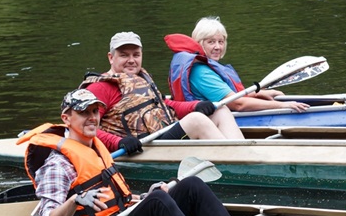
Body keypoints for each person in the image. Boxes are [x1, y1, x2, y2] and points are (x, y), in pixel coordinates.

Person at [18, 89, 234, 216]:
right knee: (158, 200)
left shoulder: (95, 148)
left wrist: (144, 195)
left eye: (94, 111)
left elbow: (118, 197)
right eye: (84, 112)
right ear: (66, 118)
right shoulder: (57, 165)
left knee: (190, 185)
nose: (92, 117)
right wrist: (75, 200)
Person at [82, 31, 243, 156]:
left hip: (161, 135)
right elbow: (84, 126)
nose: (131, 60)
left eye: (136, 55)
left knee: (220, 109)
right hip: (141, 148)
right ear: (111, 58)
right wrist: (118, 142)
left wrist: (195, 105)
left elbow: (163, 105)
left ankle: (244, 155)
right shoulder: (100, 87)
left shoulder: (140, 78)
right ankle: (239, 163)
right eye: (124, 55)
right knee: (196, 120)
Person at [165, 16, 309, 113]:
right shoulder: (201, 73)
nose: (217, 47)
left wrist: (259, 93)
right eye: (211, 42)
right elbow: (238, 104)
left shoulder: (205, 67)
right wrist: (283, 105)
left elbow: (231, 95)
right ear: (199, 43)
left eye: (221, 42)